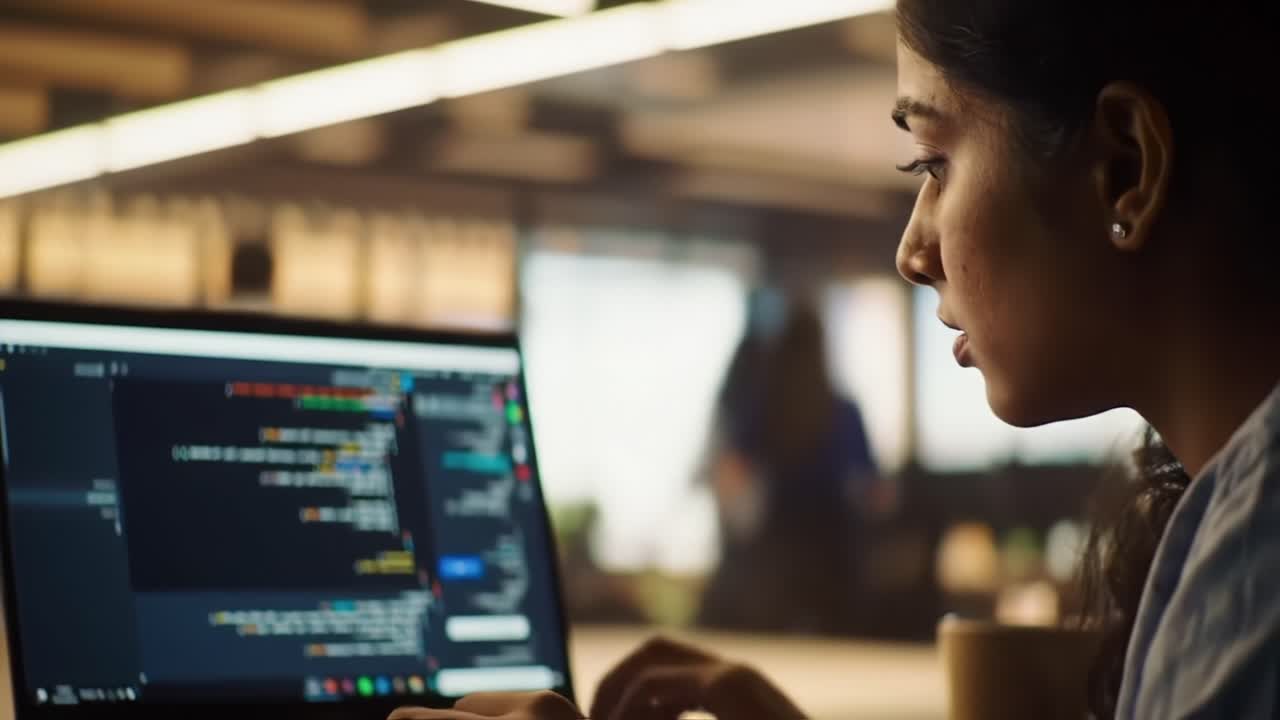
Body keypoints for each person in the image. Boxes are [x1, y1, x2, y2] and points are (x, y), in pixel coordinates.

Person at [391, 0, 1280, 717]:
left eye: (931, 161)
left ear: (1126, 166)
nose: (911, 249)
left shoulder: (1258, 562)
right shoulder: (1228, 519)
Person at [697, 298, 879, 636]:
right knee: (838, 649)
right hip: (835, 546)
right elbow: (872, 486)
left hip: (776, 548)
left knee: (778, 650)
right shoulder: (844, 409)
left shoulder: (764, 406)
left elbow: (732, 467)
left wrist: (737, 531)